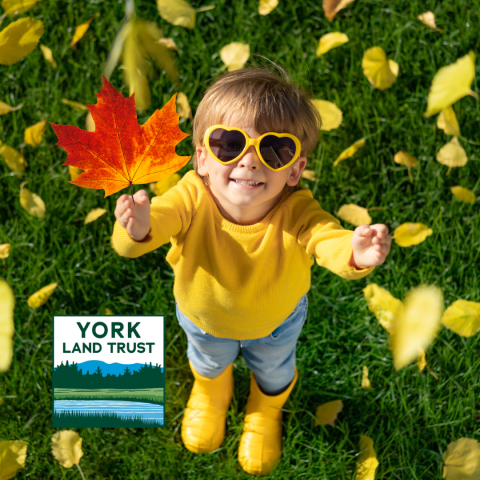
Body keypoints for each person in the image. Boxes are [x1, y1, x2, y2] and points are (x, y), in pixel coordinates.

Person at [111, 67, 392, 476]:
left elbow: (325, 239)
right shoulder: (191, 196)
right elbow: (155, 224)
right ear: (202, 158)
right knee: (207, 362)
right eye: (229, 143)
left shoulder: (297, 210)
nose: (249, 160)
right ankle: (212, 391)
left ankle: (265, 409)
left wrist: (354, 252)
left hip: (276, 323)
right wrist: (137, 227)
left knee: (275, 370)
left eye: (275, 150)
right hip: (204, 321)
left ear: (294, 170)